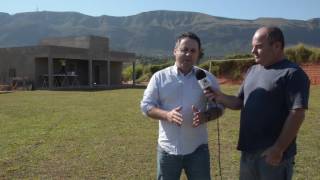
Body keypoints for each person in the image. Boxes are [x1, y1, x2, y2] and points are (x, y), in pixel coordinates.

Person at [205, 27, 310, 180]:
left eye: (259, 46)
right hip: (247, 152)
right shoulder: (253, 70)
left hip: (273, 157)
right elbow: (238, 102)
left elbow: (297, 113)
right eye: (253, 46)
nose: (253, 51)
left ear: (277, 46)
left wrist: (278, 148)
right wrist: (219, 96)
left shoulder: (292, 73)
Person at [140, 32, 224, 180]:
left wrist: (206, 115)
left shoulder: (206, 78)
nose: (188, 54)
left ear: (198, 54)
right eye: (184, 49)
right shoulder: (159, 77)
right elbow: (146, 106)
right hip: (167, 150)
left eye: (193, 51)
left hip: (198, 150)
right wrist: (167, 115)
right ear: (175, 51)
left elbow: (219, 107)